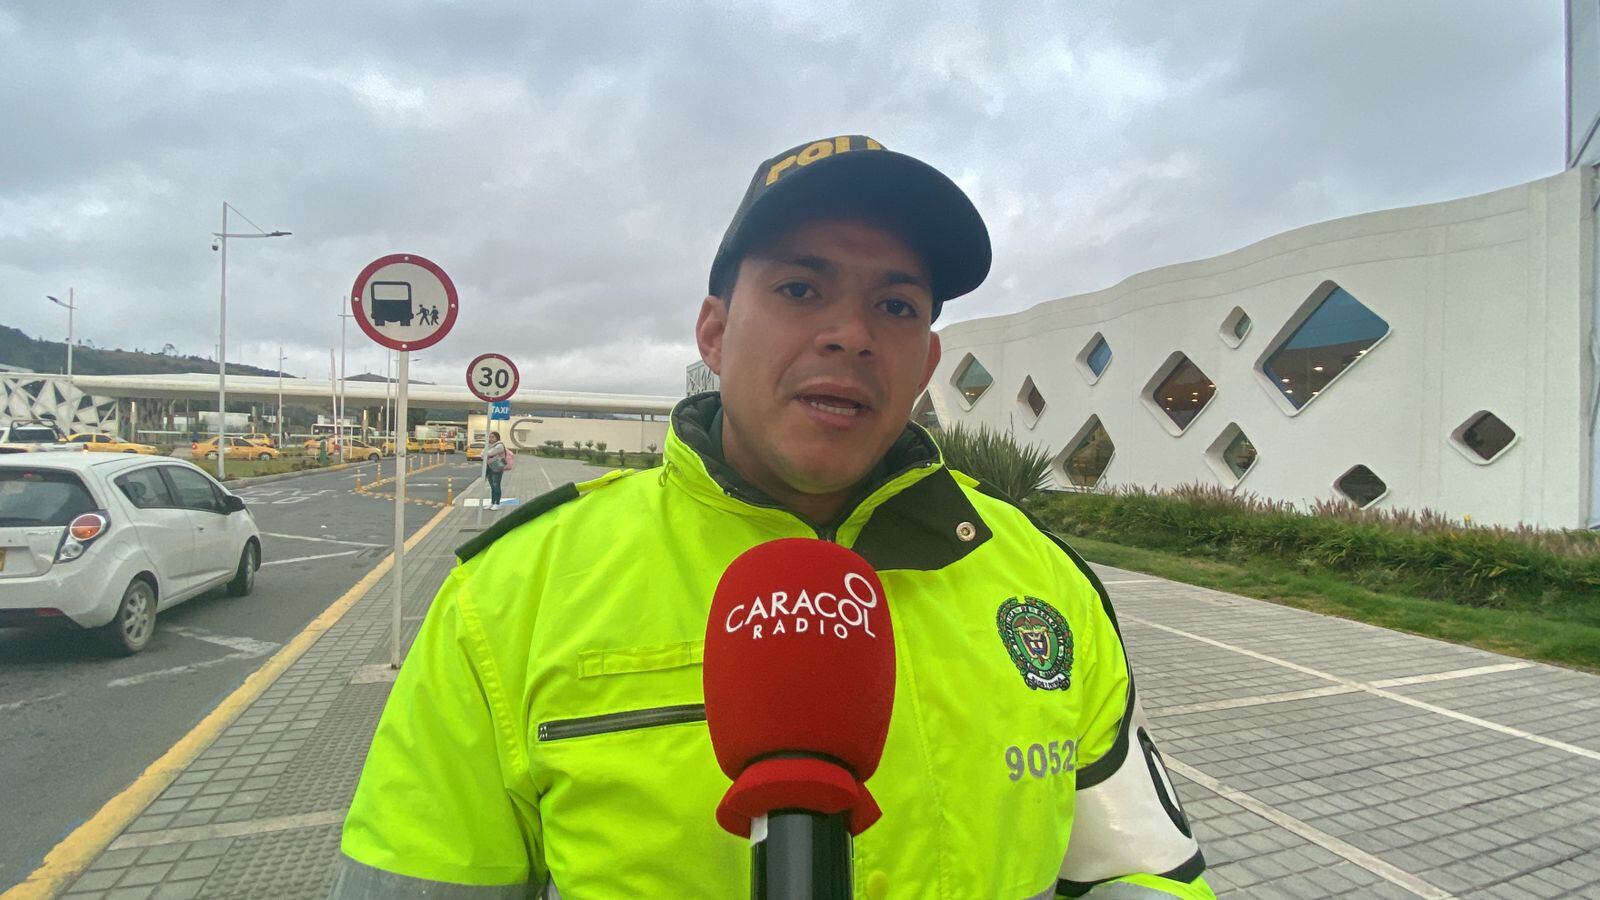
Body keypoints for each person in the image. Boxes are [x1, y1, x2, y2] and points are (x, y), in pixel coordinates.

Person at [334, 135, 1213, 899]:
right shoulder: (509, 598)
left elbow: (1140, 872)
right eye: (800, 289)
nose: (851, 334)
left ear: (926, 361)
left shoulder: (1039, 580)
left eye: (896, 306)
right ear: (713, 334)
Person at [483, 430, 506, 510]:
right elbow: (483, 454)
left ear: (497, 438)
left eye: (493, 437)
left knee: (496, 485)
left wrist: (485, 453)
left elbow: (488, 454)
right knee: (492, 486)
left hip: (497, 467)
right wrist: (485, 453)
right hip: (490, 467)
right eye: (490, 437)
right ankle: (492, 502)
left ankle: (497, 503)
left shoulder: (499, 446)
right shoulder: (490, 445)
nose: (491, 438)